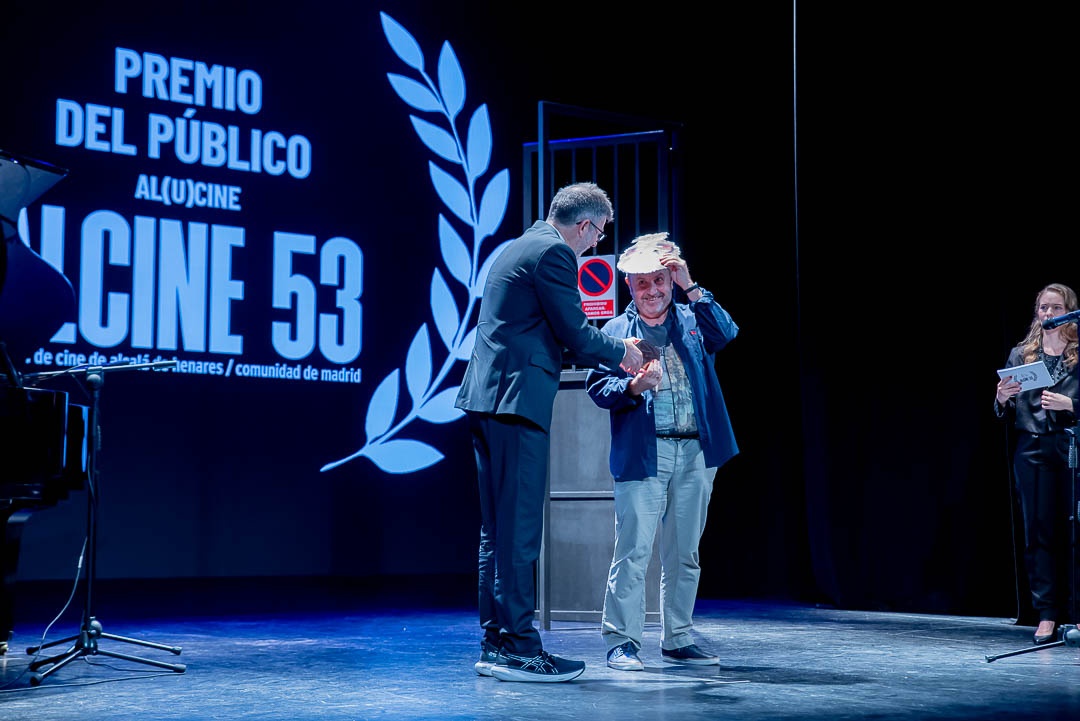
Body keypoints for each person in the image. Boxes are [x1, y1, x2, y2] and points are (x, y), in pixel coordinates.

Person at [455, 182, 645, 683]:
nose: (595, 245)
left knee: (496, 533)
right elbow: (574, 331)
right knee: (516, 534)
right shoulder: (554, 253)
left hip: (488, 400)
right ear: (584, 225)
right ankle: (519, 648)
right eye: (599, 235)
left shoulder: (518, 245)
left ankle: (496, 643)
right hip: (516, 403)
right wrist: (622, 353)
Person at [585, 232, 739, 671]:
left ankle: (678, 637)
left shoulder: (692, 319)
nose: (653, 291)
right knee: (633, 551)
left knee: (684, 552)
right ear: (630, 288)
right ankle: (622, 641)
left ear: (669, 281)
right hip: (644, 454)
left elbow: (726, 333)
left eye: (660, 281)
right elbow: (598, 387)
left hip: (695, 452)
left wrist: (691, 284)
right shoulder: (616, 331)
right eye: (642, 284)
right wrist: (633, 386)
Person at [994, 282, 1080, 645]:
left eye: (1055, 307)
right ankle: (1046, 614)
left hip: (1071, 449)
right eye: (1043, 308)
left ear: (1069, 310)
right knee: (1039, 533)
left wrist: (1071, 405)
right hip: (1031, 450)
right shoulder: (1023, 353)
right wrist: (1002, 397)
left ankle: (1077, 614)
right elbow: (1005, 408)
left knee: (1075, 533)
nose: (1048, 314)